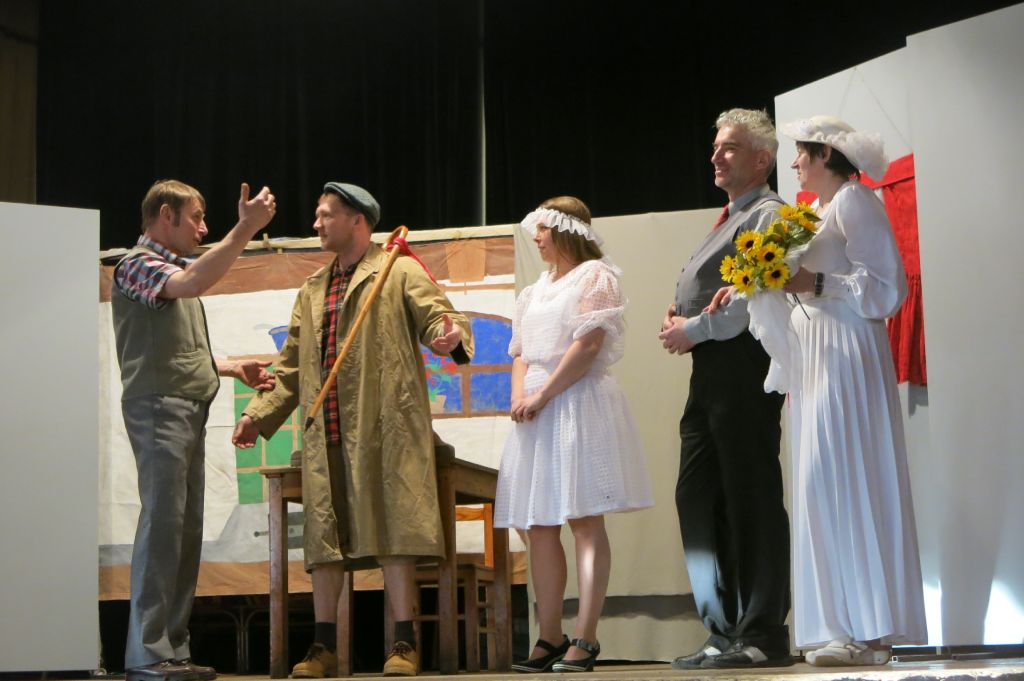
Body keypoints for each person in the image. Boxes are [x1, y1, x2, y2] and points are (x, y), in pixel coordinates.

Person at [232, 182, 473, 678]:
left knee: (394, 529)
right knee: (325, 536)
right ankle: (323, 648)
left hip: (385, 429)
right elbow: (291, 365)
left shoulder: (397, 270)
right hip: (327, 432)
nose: (316, 224)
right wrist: (258, 414)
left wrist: (448, 335)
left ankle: (404, 643)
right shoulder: (311, 290)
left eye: (325, 215)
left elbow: (440, 318)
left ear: (357, 220)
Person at [755, 115, 926, 665]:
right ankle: (839, 626)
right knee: (819, 482)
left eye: (801, 152)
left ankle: (870, 631)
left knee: (845, 473)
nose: (794, 162)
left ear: (825, 154)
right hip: (816, 351)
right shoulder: (816, 211)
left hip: (846, 346)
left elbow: (888, 288)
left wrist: (818, 282)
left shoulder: (854, 200)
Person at [113, 179, 278, 681]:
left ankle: (170, 649)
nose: (203, 228)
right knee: (163, 528)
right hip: (160, 408)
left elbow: (174, 343)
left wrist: (229, 367)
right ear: (166, 215)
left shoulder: (170, 270)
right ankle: (148, 652)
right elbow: (189, 284)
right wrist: (245, 227)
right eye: (197, 217)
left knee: (183, 532)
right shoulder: (137, 264)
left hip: (183, 408)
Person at [495, 196, 654, 673]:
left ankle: (585, 636)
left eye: (544, 229)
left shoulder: (595, 276)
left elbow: (588, 344)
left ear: (566, 230)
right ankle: (549, 636)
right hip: (536, 410)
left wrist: (544, 395)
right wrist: (522, 395)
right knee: (538, 524)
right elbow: (521, 351)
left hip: (575, 401)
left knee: (583, 519)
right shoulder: (534, 290)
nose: (537, 237)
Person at [658, 109, 793, 669]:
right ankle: (723, 629)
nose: (716, 155)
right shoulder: (732, 217)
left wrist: (691, 328)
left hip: (743, 365)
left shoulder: (770, 215)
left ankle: (762, 633)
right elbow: (720, 291)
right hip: (711, 371)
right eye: (716, 146)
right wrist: (682, 313)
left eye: (729, 147)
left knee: (749, 494)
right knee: (698, 496)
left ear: (762, 159)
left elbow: (745, 303)